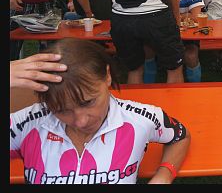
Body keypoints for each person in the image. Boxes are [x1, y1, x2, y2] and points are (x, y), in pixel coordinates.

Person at [10, 38, 191, 184]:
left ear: (107, 76)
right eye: (61, 110)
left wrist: (164, 175)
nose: (81, 121)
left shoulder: (140, 118)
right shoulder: (27, 124)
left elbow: (180, 135)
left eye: (88, 102)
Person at [144, 0, 205, 83]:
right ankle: (146, 89)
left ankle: (196, 90)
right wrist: (182, 16)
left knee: (190, 56)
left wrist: (172, 17)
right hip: (163, 32)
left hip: (187, 34)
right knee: (147, 51)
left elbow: (195, 15)